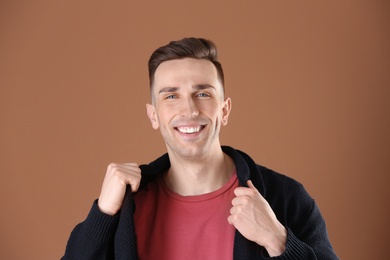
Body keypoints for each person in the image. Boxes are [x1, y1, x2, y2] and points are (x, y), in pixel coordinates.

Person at [62, 37, 338, 259]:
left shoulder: (285, 197)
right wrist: (103, 213)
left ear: (225, 109)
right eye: (171, 96)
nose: (189, 109)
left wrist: (279, 241)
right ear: (153, 115)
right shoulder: (126, 206)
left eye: (203, 94)